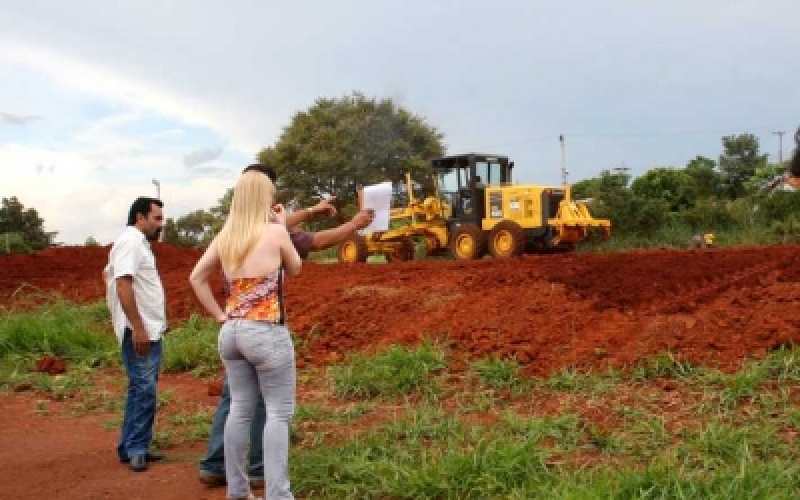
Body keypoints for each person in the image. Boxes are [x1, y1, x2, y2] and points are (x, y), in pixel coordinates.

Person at [198, 164, 375, 489]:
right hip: (265, 332)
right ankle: (277, 492)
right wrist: (282, 226)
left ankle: (235, 488)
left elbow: (196, 277)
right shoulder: (275, 231)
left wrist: (220, 316)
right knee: (277, 414)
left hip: (231, 332)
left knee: (238, 408)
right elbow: (295, 266)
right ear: (265, 197)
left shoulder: (226, 235)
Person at [104, 196, 167, 473]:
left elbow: (107, 274)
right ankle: (137, 448)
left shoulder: (136, 243)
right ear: (140, 217)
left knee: (139, 389)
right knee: (145, 390)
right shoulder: (130, 241)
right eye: (157, 218)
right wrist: (137, 327)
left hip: (148, 328)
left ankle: (129, 446)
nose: (160, 224)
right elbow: (122, 283)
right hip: (139, 331)